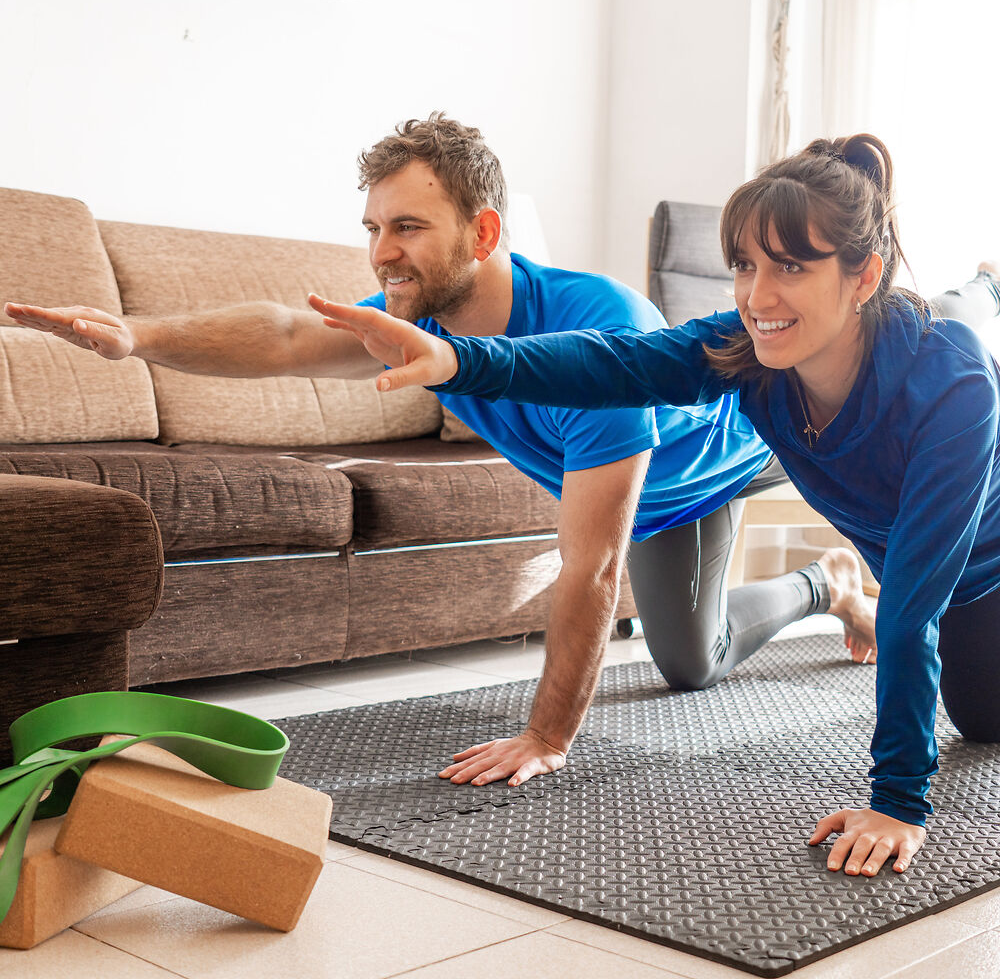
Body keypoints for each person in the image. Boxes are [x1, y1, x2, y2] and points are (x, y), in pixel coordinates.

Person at [6, 115, 877, 793]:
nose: (382, 252)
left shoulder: (597, 322)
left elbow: (591, 565)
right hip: (637, 489)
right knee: (692, 663)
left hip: (723, 460)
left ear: (483, 233)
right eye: (373, 226)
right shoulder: (419, 323)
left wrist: (546, 737)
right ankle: (828, 583)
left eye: (409, 227)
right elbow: (286, 336)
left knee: (693, 659)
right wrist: (139, 336)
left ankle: (835, 579)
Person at [306, 133, 1000, 878]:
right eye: (745, 266)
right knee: (978, 720)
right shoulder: (751, 351)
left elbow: (910, 611)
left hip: (980, 571)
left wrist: (897, 803)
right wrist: (456, 358)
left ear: (861, 274)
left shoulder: (953, 386)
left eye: (791, 267)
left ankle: (984, 286)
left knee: (984, 722)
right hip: (905, 550)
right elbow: (616, 363)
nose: (758, 297)